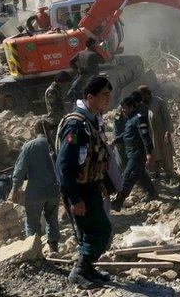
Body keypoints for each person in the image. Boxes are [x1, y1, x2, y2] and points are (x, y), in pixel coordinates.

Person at [55, 76, 113, 289]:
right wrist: (75, 197)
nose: (108, 99)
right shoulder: (76, 125)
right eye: (104, 95)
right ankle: (79, 270)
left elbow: (91, 157)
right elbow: (64, 165)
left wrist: (99, 182)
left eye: (109, 95)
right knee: (100, 231)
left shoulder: (92, 120)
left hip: (90, 186)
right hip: (79, 189)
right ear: (90, 97)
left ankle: (88, 268)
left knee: (94, 230)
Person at [11, 119, 60, 253]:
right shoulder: (56, 145)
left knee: (32, 222)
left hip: (35, 193)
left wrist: (15, 188)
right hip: (54, 191)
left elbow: (20, 170)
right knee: (52, 220)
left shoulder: (29, 146)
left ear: (35, 131)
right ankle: (54, 249)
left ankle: (34, 251)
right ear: (49, 131)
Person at [110, 96, 158, 211]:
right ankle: (152, 193)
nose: (123, 111)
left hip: (137, 154)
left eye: (125, 108)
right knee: (141, 175)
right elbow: (127, 134)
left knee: (127, 176)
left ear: (131, 107)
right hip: (131, 152)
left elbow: (145, 137)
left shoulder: (138, 118)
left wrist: (149, 153)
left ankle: (118, 202)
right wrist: (115, 141)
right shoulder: (130, 119)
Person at [138, 85, 176, 180]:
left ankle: (170, 175)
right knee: (156, 155)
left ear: (147, 94)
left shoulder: (159, 102)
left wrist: (168, 132)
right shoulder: (146, 105)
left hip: (163, 135)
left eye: (142, 96)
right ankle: (157, 174)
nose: (141, 99)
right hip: (154, 136)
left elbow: (167, 118)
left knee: (166, 155)